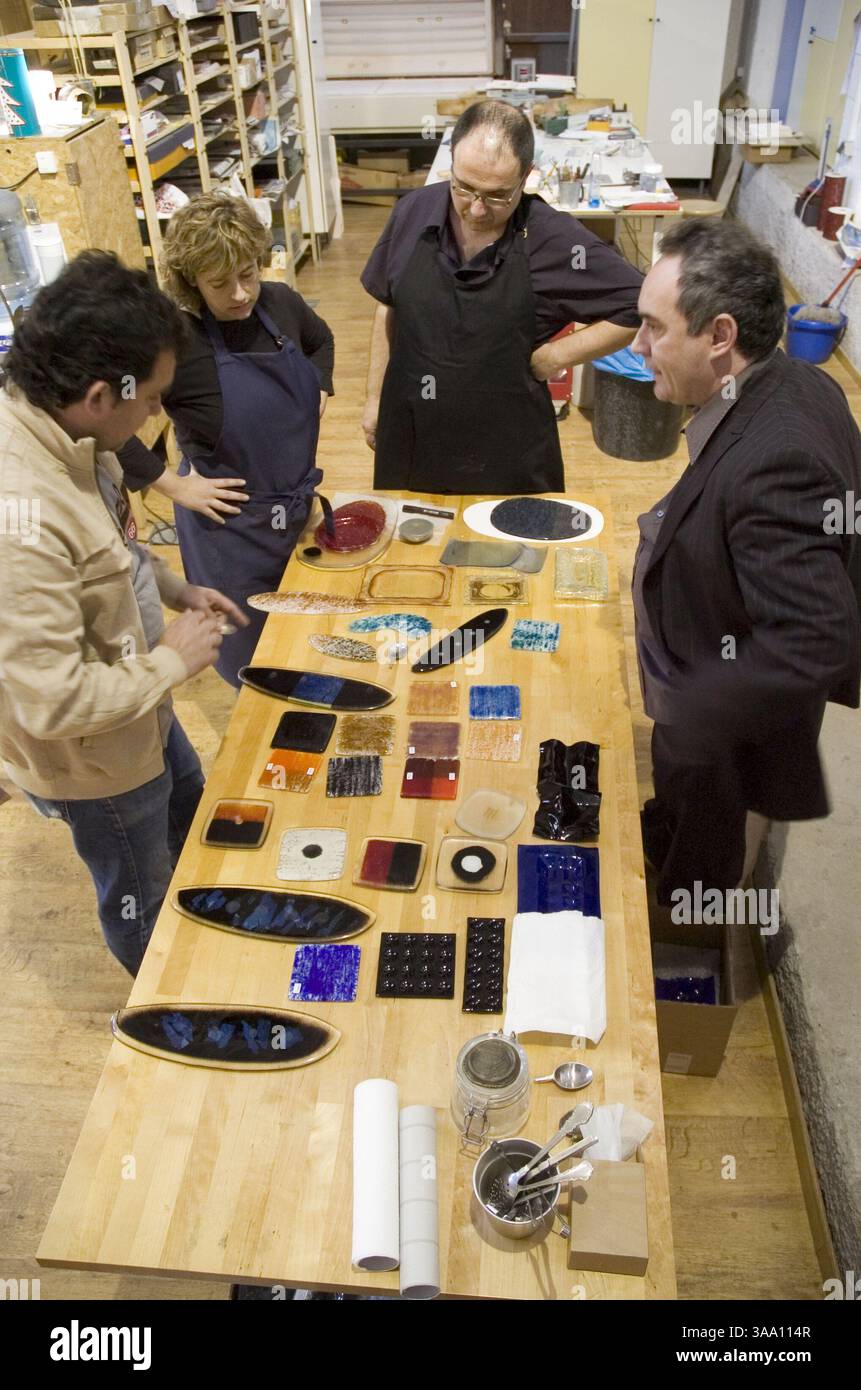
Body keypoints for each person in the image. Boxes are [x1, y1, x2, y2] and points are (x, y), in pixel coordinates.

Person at [0, 251, 246, 976]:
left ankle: (206, 933)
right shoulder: (22, 515)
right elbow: (50, 702)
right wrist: (172, 660)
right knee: (140, 894)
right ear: (104, 393)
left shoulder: (80, 441)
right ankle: (162, 1009)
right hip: (96, 765)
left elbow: (110, 554)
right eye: (153, 399)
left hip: (141, 714)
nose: (157, 415)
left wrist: (174, 590)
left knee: (193, 814)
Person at [631, 218, 861, 905]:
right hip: (722, 690)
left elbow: (815, 636)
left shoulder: (776, 460)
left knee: (695, 878)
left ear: (720, 336)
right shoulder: (796, 380)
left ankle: (681, 974)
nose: (638, 347)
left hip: (726, 731)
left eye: (654, 329)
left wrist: (692, 712)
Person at [360, 99, 643, 495]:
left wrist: (557, 356)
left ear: (526, 177)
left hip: (506, 450)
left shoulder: (551, 239)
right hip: (412, 431)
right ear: (451, 163)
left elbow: (640, 304)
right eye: (463, 187)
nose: (476, 209)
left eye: (496, 196)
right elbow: (386, 304)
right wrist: (374, 400)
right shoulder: (412, 212)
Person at [119, 192, 335, 685]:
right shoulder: (173, 343)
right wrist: (173, 486)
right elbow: (106, 425)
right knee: (253, 656)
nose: (240, 294)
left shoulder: (281, 304)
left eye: (247, 274)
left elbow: (322, 341)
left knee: (301, 633)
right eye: (220, 283)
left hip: (295, 513)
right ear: (191, 282)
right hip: (231, 532)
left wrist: (321, 384)